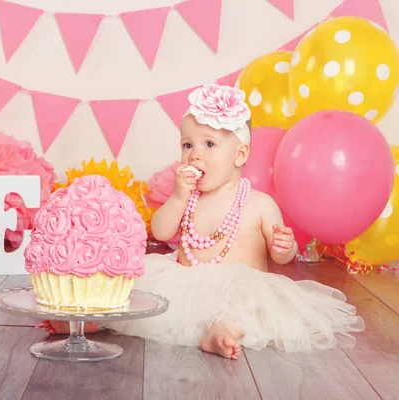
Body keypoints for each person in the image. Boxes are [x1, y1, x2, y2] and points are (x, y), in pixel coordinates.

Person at [38, 84, 364, 360]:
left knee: (246, 306)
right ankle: (93, 322)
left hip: (241, 287)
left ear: (239, 155)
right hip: (184, 282)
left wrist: (285, 246)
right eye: (187, 145)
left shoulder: (260, 204)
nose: (195, 154)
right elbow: (161, 232)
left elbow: (281, 258)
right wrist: (178, 198)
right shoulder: (189, 197)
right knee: (133, 293)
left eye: (209, 144)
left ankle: (220, 332)